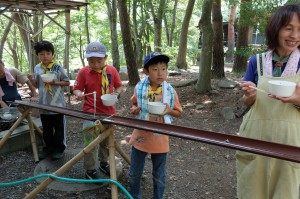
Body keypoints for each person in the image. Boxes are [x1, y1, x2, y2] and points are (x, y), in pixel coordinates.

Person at [237, 4, 300, 199]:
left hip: (291, 141)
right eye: (288, 28)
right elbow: (246, 102)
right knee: (253, 191)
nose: (295, 35)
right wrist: (250, 95)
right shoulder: (257, 61)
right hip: (256, 139)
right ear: (276, 28)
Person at [129, 52, 183, 199]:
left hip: (160, 137)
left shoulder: (170, 91)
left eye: (163, 68)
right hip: (141, 135)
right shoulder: (139, 87)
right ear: (146, 71)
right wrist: (134, 109)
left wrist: (169, 110)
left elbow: (178, 112)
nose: (160, 73)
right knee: (135, 172)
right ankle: (134, 195)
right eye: (155, 69)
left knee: (159, 174)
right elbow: (134, 102)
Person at [73, 42, 123, 180]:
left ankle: (103, 162)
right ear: (87, 59)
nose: (95, 64)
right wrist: (78, 93)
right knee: (90, 142)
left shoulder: (112, 71)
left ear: (105, 57)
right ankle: (90, 170)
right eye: (91, 61)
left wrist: (116, 94)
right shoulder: (83, 72)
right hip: (90, 113)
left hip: (108, 113)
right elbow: (77, 88)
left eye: (98, 61)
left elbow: (119, 86)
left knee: (107, 142)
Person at [29, 40, 70, 160]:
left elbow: (67, 82)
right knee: (46, 130)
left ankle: (60, 149)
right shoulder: (37, 68)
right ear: (37, 56)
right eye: (41, 54)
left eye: (48, 53)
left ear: (52, 54)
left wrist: (55, 82)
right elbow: (37, 86)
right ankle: (48, 148)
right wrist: (31, 79)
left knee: (59, 130)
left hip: (58, 105)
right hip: (44, 104)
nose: (45, 56)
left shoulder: (57, 67)